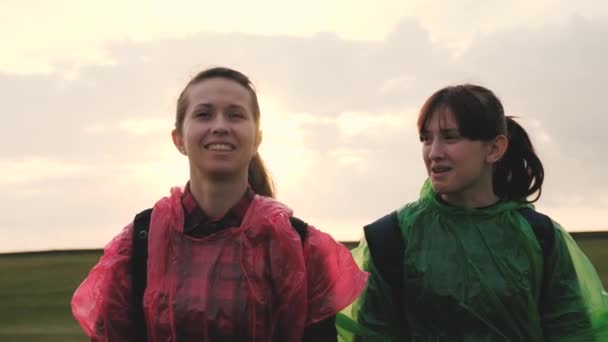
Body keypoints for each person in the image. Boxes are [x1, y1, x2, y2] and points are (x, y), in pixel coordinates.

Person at [71, 66, 369, 341]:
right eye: (203, 114)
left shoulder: (301, 246)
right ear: (178, 139)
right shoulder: (138, 245)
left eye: (235, 115)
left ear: (257, 139)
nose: (220, 126)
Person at [337, 84, 608, 341]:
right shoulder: (391, 238)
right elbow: (371, 335)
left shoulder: (540, 237)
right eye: (426, 139)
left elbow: (573, 331)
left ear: (494, 149)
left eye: (450, 138)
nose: (434, 153)